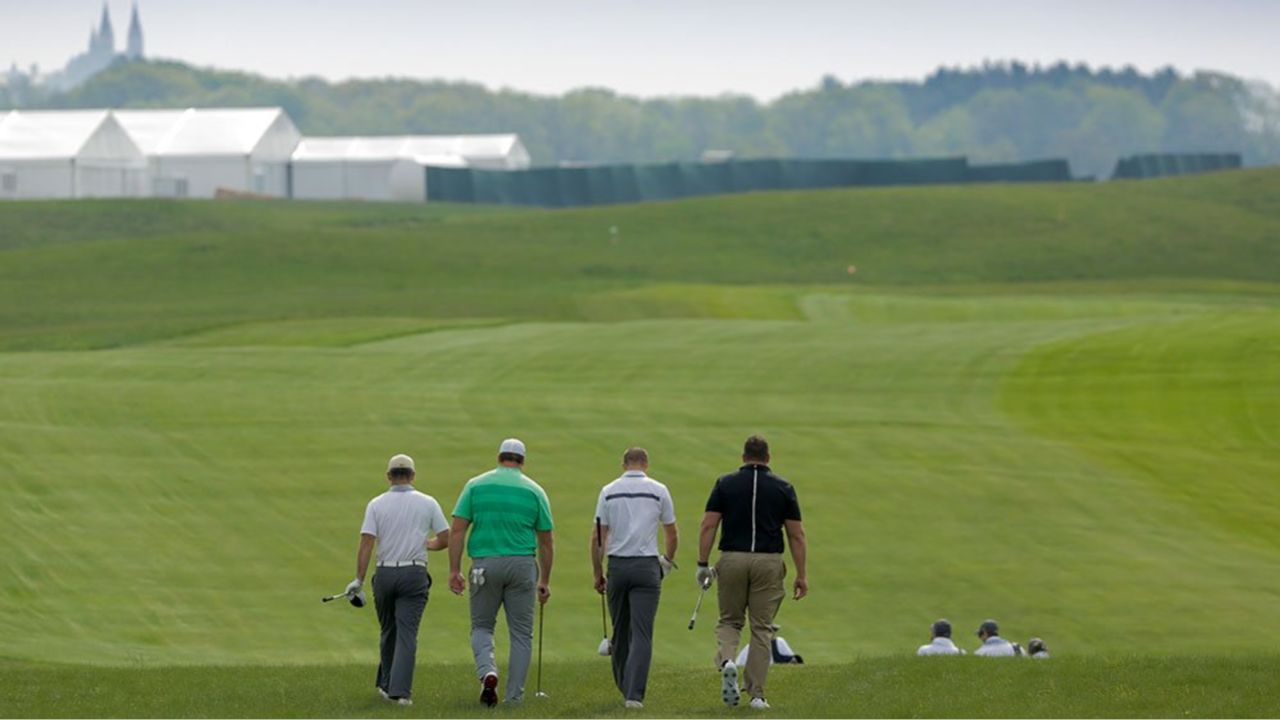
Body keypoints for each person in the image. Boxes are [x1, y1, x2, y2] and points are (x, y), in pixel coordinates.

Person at [697, 435, 807, 710]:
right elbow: (796, 535)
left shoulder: (725, 484)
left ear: (743, 458)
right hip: (768, 561)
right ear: (768, 458)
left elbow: (708, 525)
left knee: (730, 621)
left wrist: (702, 563)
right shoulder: (784, 487)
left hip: (732, 559)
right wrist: (801, 574)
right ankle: (756, 695)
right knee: (761, 628)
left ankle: (728, 661)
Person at [448, 438, 554, 707]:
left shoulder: (475, 485)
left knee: (482, 626)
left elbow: (458, 530)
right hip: (522, 566)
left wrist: (454, 570)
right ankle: (514, 697)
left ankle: (488, 672)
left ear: (499, 457)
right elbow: (546, 540)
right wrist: (545, 580)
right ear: (522, 461)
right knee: (521, 634)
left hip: (484, 564)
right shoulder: (535, 491)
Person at [346, 453, 451, 707]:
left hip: (384, 574)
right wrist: (428, 544)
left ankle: (385, 684)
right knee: (407, 633)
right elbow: (446, 538)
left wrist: (358, 579)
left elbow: (367, 543)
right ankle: (399, 692)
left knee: (388, 630)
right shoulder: (428, 502)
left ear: (388, 477)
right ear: (412, 476)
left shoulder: (376, 504)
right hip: (414, 574)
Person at [591, 447, 679, 709]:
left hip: (617, 566)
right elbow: (672, 534)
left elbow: (598, 538)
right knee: (642, 633)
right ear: (646, 464)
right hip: (647, 567)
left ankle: (624, 685)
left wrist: (598, 573)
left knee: (621, 630)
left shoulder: (608, 491)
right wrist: (666, 562)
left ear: (624, 464)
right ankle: (633, 694)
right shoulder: (659, 490)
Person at [735, 624, 805, 666]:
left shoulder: (779, 642)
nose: (771, 635)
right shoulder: (749, 649)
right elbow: (739, 666)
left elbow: (793, 662)